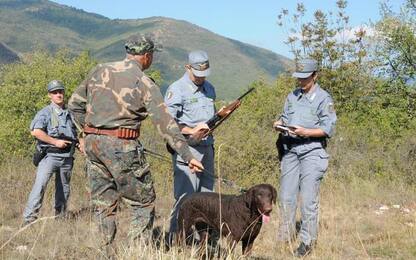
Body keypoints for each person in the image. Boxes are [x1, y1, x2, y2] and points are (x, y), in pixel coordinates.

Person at [68, 35, 203, 253]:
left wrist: (89, 132)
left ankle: (102, 253)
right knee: (142, 203)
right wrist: (188, 156)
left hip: (92, 145)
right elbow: (166, 125)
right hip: (123, 146)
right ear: (147, 56)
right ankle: (136, 253)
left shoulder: (99, 70)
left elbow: (74, 105)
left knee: (103, 204)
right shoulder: (144, 82)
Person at [273, 59, 337, 257]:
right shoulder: (292, 96)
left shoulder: (323, 98)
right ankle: (285, 235)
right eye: (299, 78)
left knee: (308, 200)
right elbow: (286, 116)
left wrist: (306, 131)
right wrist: (280, 123)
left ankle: (307, 242)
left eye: (305, 78)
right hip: (291, 151)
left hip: (312, 151)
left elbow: (328, 129)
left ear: (314, 75)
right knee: (286, 197)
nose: (301, 81)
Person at [164, 50, 217, 241]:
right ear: (188, 67)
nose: (201, 78)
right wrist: (192, 129)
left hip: (208, 147)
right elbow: (168, 122)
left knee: (208, 199)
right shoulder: (176, 89)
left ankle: (206, 243)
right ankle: (176, 240)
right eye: (198, 74)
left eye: (204, 74)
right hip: (188, 150)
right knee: (185, 198)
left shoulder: (210, 89)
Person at [23, 80, 79, 225]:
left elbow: (75, 134)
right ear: (50, 95)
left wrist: (81, 144)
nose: (58, 94)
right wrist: (55, 142)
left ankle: (60, 218)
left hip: (67, 157)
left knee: (64, 189)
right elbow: (35, 132)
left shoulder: (70, 114)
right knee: (40, 186)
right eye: (55, 92)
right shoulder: (45, 112)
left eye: (60, 91)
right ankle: (29, 220)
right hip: (50, 156)